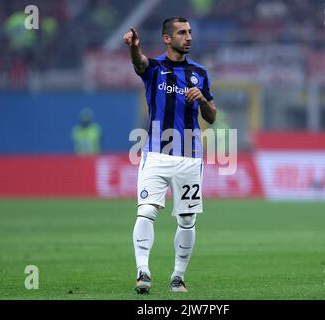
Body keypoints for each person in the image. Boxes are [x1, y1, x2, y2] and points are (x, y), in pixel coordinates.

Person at [123, 17, 217, 294]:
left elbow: (212, 116)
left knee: (187, 219)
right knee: (147, 211)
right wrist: (133, 47)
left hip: (189, 157)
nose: (188, 37)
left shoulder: (199, 73)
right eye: (182, 33)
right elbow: (138, 63)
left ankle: (178, 276)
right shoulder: (154, 68)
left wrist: (201, 100)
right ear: (167, 38)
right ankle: (143, 272)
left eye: (189, 32)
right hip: (156, 154)